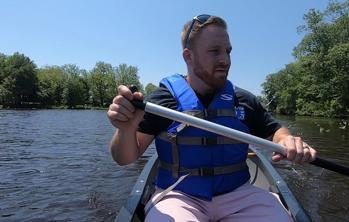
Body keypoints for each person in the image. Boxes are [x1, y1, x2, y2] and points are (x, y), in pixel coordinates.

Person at [107, 14, 317, 222]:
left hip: (239, 195)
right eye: (214, 51)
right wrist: (125, 129)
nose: (225, 60)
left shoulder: (242, 100)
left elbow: (276, 131)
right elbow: (124, 158)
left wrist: (285, 140)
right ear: (188, 56)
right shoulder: (162, 100)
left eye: (227, 51)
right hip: (178, 195)